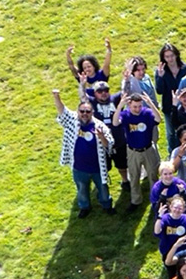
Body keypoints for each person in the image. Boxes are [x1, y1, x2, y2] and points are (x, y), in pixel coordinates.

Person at [53, 89, 115, 218]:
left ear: (92, 113)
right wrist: (56, 97)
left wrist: (102, 136)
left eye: (88, 112)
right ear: (78, 112)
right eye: (82, 111)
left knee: (103, 189)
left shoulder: (100, 126)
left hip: (97, 168)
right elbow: (62, 110)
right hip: (79, 168)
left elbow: (109, 146)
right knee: (82, 190)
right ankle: (84, 207)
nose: (84, 114)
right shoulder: (72, 122)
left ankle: (107, 205)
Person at [110, 91, 163, 211]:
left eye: (139, 106)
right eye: (134, 106)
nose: (137, 109)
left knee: (153, 175)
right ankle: (136, 200)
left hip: (148, 149)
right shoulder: (126, 114)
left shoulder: (147, 113)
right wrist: (119, 106)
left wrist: (150, 103)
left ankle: (155, 199)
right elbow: (115, 122)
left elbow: (158, 119)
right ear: (129, 105)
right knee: (134, 177)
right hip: (133, 151)